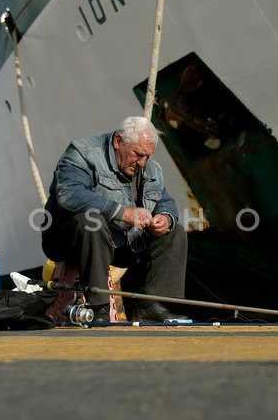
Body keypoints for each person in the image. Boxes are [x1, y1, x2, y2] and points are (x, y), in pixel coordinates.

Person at [41, 116, 187, 322]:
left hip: (121, 243)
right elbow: (69, 194)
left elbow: (165, 200)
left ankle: (150, 305)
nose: (143, 163)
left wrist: (165, 218)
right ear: (118, 142)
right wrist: (123, 212)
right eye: (138, 154)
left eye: (147, 156)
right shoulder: (82, 153)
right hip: (70, 240)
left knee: (175, 231)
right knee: (92, 222)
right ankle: (98, 305)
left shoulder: (150, 168)